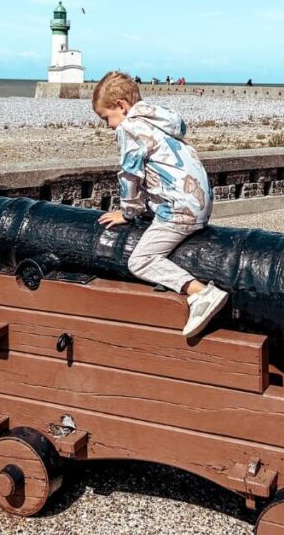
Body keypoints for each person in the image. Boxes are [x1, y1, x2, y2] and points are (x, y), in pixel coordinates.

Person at [92, 71, 228, 338]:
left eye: (106, 117)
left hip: (179, 209)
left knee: (140, 261)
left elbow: (130, 175)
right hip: (200, 204)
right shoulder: (161, 121)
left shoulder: (129, 128)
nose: (108, 126)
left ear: (121, 106)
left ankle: (201, 293)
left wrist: (128, 213)